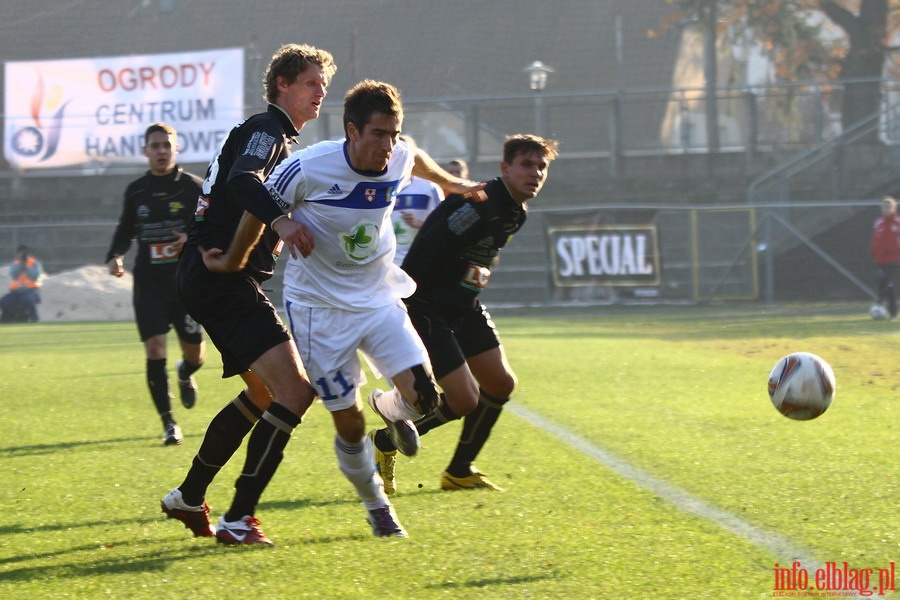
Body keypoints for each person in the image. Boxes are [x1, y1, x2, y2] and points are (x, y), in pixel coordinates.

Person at [201, 79, 484, 542]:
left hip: (377, 298)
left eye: (393, 133)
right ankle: (377, 505)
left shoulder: (399, 154)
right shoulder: (308, 168)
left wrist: (451, 184)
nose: (387, 145)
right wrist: (254, 244)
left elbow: (415, 155)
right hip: (319, 310)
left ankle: (391, 409)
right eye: (378, 134)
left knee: (424, 398)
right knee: (348, 423)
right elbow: (255, 205)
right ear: (352, 131)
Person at [159, 43, 336, 545]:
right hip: (219, 277)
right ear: (282, 84)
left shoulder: (275, 136)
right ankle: (240, 520)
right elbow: (242, 181)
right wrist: (281, 220)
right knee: (296, 391)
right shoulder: (267, 129)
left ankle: (189, 496)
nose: (319, 92)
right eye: (310, 82)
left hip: (212, 274)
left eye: (323, 84)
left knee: (263, 394)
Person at [370, 134, 559, 495]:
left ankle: (459, 471)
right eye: (526, 165)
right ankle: (386, 439)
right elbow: (431, 244)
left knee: (501, 384)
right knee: (463, 399)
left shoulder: (516, 211)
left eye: (541, 167)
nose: (535, 173)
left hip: (465, 306)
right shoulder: (479, 202)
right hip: (429, 306)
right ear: (505, 168)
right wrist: (412, 305)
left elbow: (479, 255)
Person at [105, 123, 206, 446]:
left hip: (185, 283)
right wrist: (116, 255)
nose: (161, 151)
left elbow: (214, 228)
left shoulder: (194, 188)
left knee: (197, 355)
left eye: (166, 145)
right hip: (149, 284)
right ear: (145, 150)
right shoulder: (137, 191)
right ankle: (169, 424)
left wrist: (189, 238)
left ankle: (185, 372)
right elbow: (125, 228)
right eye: (155, 146)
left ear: (176, 149)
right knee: (154, 349)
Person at [392, 145, 445, 266]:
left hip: (419, 258)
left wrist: (418, 223)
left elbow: (442, 225)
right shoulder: (376, 189)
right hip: (388, 261)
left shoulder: (429, 189)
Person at [871, 195, 900, 319]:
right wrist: (875, 254)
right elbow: (875, 241)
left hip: (895, 259)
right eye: (885, 208)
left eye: (889, 207)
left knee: (889, 284)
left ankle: (892, 312)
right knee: (883, 283)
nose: (887, 210)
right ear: (881, 208)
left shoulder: (898, 222)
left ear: (894, 208)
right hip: (881, 260)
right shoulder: (878, 223)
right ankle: (879, 306)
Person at [0, 245, 43, 323]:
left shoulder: (35, 262)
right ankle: (6, 319)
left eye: (24, 253)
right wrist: (21, 264)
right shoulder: (16, 263)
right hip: (16, 292)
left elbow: (35, 276)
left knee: (27, 300)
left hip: (31, 291)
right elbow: (14, 275)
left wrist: (26, 266)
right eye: (20, 253)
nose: (22, 255)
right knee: (4, 301)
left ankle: (34, 319)